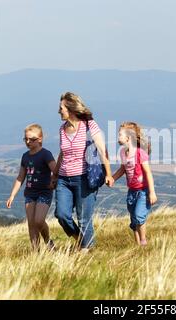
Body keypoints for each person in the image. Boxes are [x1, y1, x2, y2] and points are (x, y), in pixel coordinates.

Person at [51, 92, 114, 252]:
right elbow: (62, 153)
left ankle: (86, 250)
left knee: (84, 218)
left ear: (71, 109)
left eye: (61, 108)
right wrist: (55, 174)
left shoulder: (89, 125)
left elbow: (102, 150)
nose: (59, 111)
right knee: (61, 215)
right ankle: (81, 240)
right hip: (64, 179)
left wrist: (108, 173)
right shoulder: (62, 129)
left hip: (84, 178)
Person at [6, 124, 56, 250]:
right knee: (31, 224)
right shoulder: (25, 156)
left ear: (40, 139)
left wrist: (53, 182)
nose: (28, 142)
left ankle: (48, 241)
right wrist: (12, 195)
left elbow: (55, 170)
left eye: (31, 139)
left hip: (44, 192)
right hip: (30, 193)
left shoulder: (46, 154)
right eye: (26, 139)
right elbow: (20, 177)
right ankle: (35, 253)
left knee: (39, 221)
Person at [112, 122, 157, 246]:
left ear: (128, 138)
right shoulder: (123, 152)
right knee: (133, 220)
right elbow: (123, 169)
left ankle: (143, 241)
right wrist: (113, 178)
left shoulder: (140, 153)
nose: (118, 137)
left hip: (143, 190)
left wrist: (152, 192)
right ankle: (138, 246)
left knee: (138, 216)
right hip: (131, 191)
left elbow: (148, 173)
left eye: (120, 134)